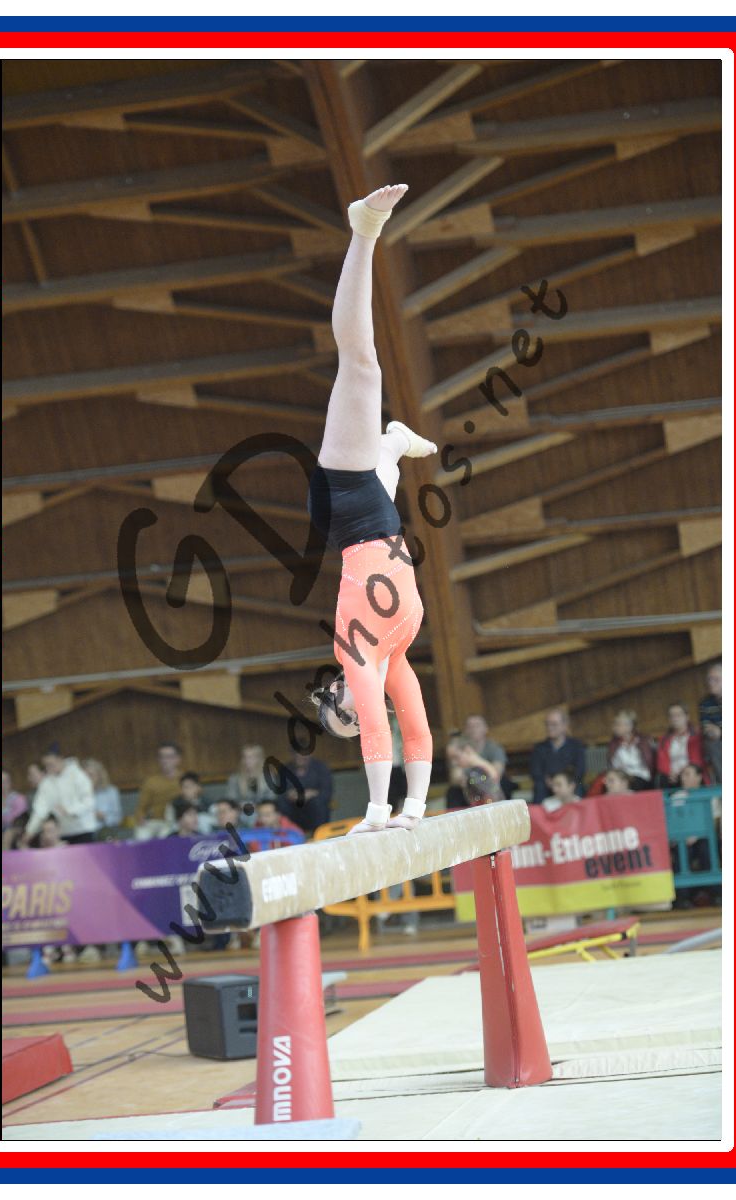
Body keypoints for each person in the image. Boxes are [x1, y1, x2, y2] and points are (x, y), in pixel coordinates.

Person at [306, 184, 437, 836]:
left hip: (344, 500)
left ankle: (363, 230)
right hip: (370, 516)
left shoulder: (355, 649)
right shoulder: (399, 651)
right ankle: (393, 443)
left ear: (338, 691)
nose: (359, 718)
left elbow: (380, 736)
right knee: (381, 465)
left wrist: (378, 814)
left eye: (346, 716)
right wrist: (414, 812)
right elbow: (416, 727)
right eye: (354, 723)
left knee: (361, 365)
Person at [24, 747, 99, 844]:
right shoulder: (46, 783)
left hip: (84, 829)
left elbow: (89, 801)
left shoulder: (78, 775)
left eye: (51, 764)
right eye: (46, 765)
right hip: (63, 832)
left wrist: (70, 810)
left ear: (60, 760)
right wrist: (30, 831)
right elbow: (40, 809)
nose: (48, 768)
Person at [529, 710, 586, 804]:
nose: (549, 727)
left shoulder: (576, 745)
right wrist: (550, 782)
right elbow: (535, 772)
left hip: (568, 784)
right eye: (547, 724)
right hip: (546, 785)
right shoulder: (539, 748)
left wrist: (564, 783)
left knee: (577, 786)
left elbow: (580, 770)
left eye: (554, 724)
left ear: (564, 725)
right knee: (539, 786)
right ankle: (540, 813)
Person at [132, 742, 184, 839]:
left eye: (169, 757)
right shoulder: (151, 781)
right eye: (161, 757)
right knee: (141, 835)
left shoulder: (185, 779)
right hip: (154, 821)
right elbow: (141, 808)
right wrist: (140, 818)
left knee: (166, 835)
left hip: (177, 822)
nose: (165, 761)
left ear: (178, 759)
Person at [444, 736, 503, 809]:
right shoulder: (465, 770)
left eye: (456, 757)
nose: (454, 763)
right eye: (451, 759)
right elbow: (456, 776)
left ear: (467, 750)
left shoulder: (482, 770)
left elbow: (494, 777)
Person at [281, 751, 334, 832]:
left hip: (314, 808)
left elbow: (327, 792)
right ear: (293, 755)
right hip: (294, 808)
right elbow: (281, 791)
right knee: (282, 803)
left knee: (319, 803)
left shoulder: (321, 768)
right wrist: (290, 794)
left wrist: (312, 793)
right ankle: (290, 835)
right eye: (297, 754)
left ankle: (319, 833)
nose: (301, 757)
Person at [656, 703, 706, 787]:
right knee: (661, 778)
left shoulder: (696, 735)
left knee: (690, 775)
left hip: (690, 772)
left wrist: (683, 772)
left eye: (678, 715)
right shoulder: (664, 739)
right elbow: (661, 763)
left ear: (687, 717)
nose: (675, 718)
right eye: (672, 716)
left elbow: (698, 760)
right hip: (671, 775)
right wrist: (669, 773)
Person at [226, 744, 277, 824]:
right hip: (241, 811)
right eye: (244, 757)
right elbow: (231, 799)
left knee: (257, 816)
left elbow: (272, 798)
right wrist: (241, 806)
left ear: (258, 759)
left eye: (251, 757)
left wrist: (258, 807)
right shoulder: (234, 778)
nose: (247, 761)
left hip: (262, 811)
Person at [605, 710, 655, 790]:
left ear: (629, 726)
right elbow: (613, 765)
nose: (614, 727)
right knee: (606, 784)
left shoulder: (643, 740)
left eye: (618, 724)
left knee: (631, 784)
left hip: (640, 776)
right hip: (621, 777)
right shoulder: (613, 743)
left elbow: (648, 765)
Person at [698, 662, 722, 784]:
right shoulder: (705, 703)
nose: (711, 683)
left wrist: (720, 732)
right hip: (717, 742)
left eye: (716, 679)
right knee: (711, 744)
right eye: (709, 679)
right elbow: (705, 727)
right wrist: (713, 732)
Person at [83, 759, 122, 830]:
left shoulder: (111, 791)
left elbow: (118, 819)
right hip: (84, 832)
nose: (87, 779)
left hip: (105, 831)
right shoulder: (78, 793)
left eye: (91, 775)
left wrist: (103, 817)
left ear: (99, 776)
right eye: (84, 776)